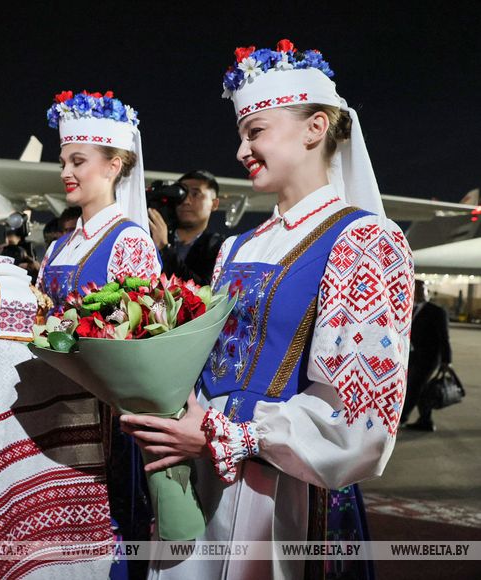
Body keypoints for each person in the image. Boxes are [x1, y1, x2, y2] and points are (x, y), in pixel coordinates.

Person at [121, 40, 413, 579]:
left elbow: (361, 420)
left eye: (255, 131)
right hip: (200, 470)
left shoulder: (365, 241)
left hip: (282, 489)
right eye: (241, 134)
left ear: (315, 128)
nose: (241, 150)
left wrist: (227, 434)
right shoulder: (237, 246)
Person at [39, 90, 161, 579]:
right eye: (64, 162)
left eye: (78, 161)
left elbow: (143, 339)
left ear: (113, 166)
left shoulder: (129, 240)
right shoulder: (59, 247)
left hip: (106, 420)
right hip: (53, 407)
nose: (66, 172)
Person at [148, 169, 224, 285]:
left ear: (214, 204)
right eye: (181, 194)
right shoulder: (152, 235)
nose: (186, 201)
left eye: (195, 194)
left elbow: (204, 289)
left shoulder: (219, 247)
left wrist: (164, 248)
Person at [401, 279, 451, 432]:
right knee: (422, 389)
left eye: (420, 289)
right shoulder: (409, 309)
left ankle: (402, 417)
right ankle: (426, 421)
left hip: (429, 358)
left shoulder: (437, 311)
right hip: (413, 356)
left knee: (414, 387)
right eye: (414, 289)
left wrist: (446, 361)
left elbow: (444, 337)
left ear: (426, 291)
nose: (416, 292)